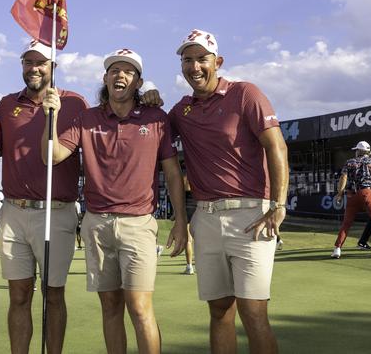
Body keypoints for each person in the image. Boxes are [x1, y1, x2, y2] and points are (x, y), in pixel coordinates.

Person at [44, 48, 188, 354]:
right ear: (105, 78)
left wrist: (180, 219)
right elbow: (52, 155)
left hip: (138, 224)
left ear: (138, 82)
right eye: (114, 70)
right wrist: (51, 116)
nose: (119, 75)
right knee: (110, 306)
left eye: (128, 71)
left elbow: (173, 173)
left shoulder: (156, 118)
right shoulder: (87, 118)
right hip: (97, 224)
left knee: (139, 307)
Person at [168, 29, 288, 353]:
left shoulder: (245, 93)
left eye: (202, 59)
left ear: (217, 62)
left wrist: (278, 204)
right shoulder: (181, 111)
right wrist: (147, 98)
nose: (195, 67)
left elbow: (276, 146)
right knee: (219, 310)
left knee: (253, 311)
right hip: (206, 218)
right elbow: (152, 132)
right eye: (187, 60)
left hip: (252, 216)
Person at [0, 40, 89, 354]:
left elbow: (59, 154)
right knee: (19, 295)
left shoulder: (75, 103)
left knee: (53, 295)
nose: (34, 68)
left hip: (56, 212)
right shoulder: (7, 105)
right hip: (14, 211)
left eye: (41, 63)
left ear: (53, 67)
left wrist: (53, 113)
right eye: (28, 62)